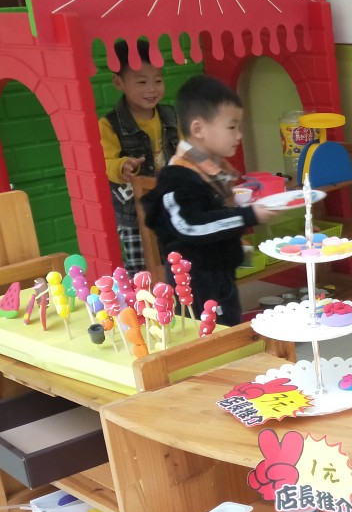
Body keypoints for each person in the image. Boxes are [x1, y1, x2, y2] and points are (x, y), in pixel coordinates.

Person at [142, 75, 278, 326]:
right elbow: (190, 225)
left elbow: (218, 211)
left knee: (231, 332)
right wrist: (249, 215)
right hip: (195, 281)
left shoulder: (212, 170)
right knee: (211, 340)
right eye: (231, 127)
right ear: (198, 129)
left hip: (220, 274)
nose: (239, 135)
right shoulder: (178, 177)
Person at [98, 38, 180, 274]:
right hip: (133, 213)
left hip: (171, 205)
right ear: (119, 82)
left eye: (158, 80)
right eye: (142, 82)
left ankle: (178, 295)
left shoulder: (170, 115)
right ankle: (143, 297)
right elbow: (105, 162)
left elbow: (185, 150)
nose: (152, 89)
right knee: (141, 271)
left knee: (177, 262)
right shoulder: (110, 124)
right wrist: (121, 166)